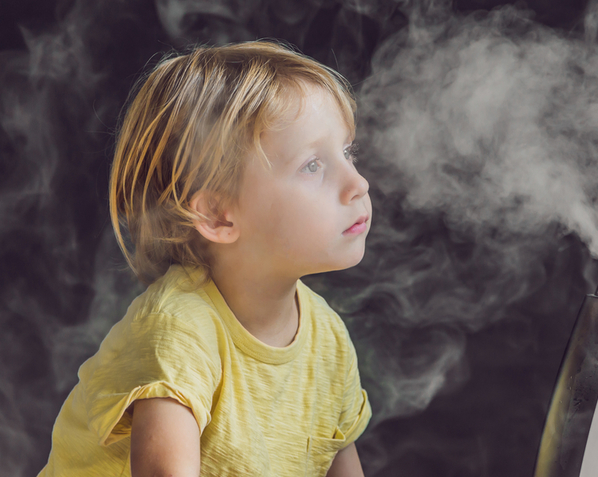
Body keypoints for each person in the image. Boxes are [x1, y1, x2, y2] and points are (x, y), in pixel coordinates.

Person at [38, 41, 373, 477]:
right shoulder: (178, 331)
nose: (358, 183)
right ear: (217, 215)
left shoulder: (327, 338)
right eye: (313, 165)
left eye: (348, 153)